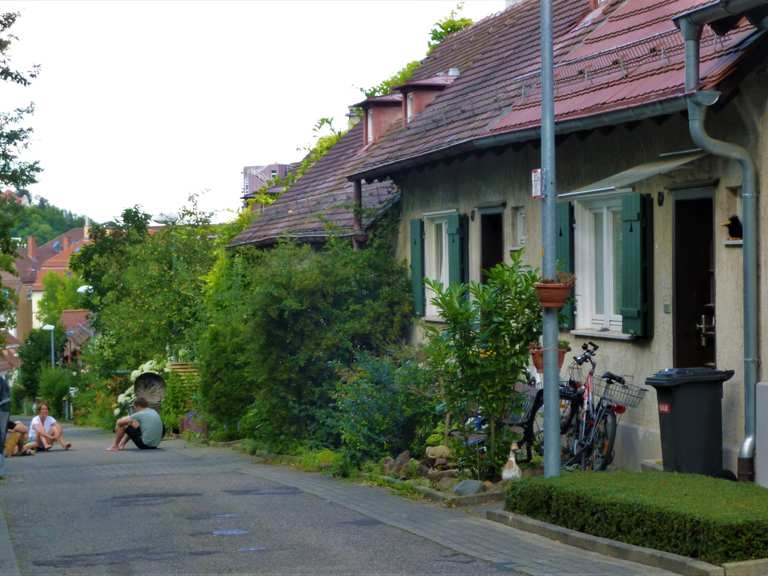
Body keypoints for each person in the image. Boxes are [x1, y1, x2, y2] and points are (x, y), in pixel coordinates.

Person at [0, 375, 9, 477]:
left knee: (1, 439)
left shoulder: (1, 381)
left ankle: (1, 471)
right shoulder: (2, 380)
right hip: (4, 409)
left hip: (2, 409)